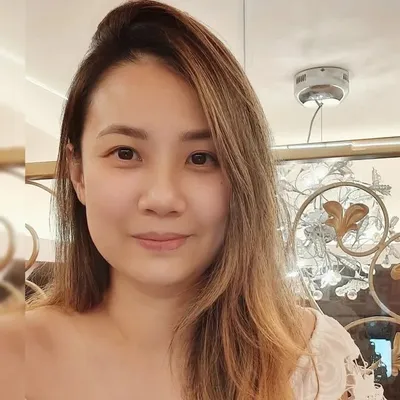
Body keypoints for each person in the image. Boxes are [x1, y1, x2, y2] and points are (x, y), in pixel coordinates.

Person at [0, 1, 375, 399]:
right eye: (125, 153)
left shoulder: (314, 363)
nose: (163, 198)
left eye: (201, 158)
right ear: (78, 174)